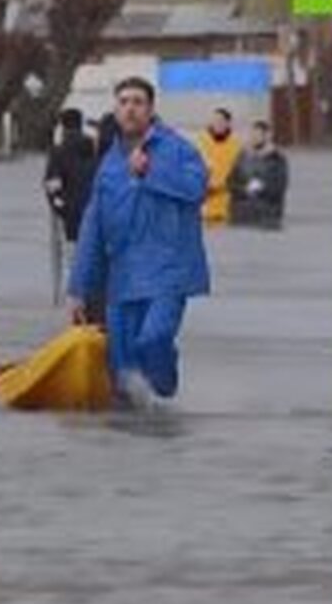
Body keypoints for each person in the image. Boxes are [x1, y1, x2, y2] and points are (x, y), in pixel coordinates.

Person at [68, 77, 210, 409]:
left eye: (138, 102)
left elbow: (197, 188)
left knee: (154, 339)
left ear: (151, 109)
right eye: (124, 102)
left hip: (168, 274)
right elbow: (93, 228)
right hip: (123, 277)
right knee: (123, 369)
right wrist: (78, 288)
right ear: (115, 110)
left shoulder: (177, 149)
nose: (130, 109)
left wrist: (152, 172)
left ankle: (165, 398)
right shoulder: (109, 164)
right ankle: (129, 446)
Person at [44, 108, 104, 324]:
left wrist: (58, 207)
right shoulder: (94, 147)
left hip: (70, 215)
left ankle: (73, 297)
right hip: (93, 212)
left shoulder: (58, 151)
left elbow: (52, 184)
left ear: (62, 124)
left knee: (71, 259)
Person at [228, 120, 289, 230]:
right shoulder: (242, 156)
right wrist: (245, 189)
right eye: (253, 134)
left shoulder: (277, 159)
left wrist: (261, 188)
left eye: (258, 135)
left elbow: (279, 187)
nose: (254, 138)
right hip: (241, 215)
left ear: (267, 136)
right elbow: (230, 182)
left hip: (267, 216)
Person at [195, 107, 241, 227]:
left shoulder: (236, 146)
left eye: (221, 121)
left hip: (228, 206)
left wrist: (221, 185)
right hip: (204, 208)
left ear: (228, 123)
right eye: (214, 120)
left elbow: (240, 174)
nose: (217, 124)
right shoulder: (201, 142)